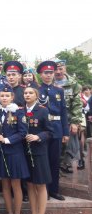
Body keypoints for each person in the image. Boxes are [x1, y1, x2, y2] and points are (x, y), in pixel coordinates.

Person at [0, 86, 29, 214]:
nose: (4, 98)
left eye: (7, 96)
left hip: (15, 153)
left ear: (12, 97)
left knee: (16, 185)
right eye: (2, 96)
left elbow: (23, 132)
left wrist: (6, 140)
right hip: (2, 154)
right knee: (5, 186)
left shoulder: (18, 113)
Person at [37, 61, 69, 201]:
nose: (49, 75)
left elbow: (63, 111)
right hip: (42, 129)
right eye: (46, 73)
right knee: (42, 161)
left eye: (51, 73)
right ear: (40, 74)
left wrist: (65, 132)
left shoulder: (59, 90)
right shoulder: (37, 89)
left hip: (56, 128)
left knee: (55, 161)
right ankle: (43, 190)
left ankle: (54, 190)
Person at [22, 87, 53, 214]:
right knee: (29, 184)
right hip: (24, 152)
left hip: (39, 152)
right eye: (25, 93)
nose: (27, 95)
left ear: (36, 96)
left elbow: (50, 131)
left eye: (30, 93)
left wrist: (38, 137)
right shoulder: (20, 111)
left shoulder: (43, 110)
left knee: (40, 184)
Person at [54, 59, 82, 174]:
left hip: (69, 120)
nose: (58, 71)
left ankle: (66, 165)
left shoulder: (73, 83)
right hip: (54, 121)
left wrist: (75, 122)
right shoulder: (50, 82)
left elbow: (77, 103)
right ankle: (57, 170)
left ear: (65, 68)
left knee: (68, 145)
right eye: (56, 69)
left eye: (61, 68)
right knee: (56, 146)